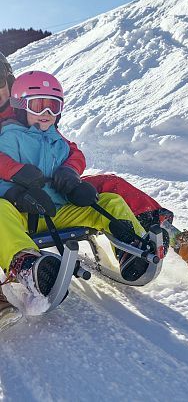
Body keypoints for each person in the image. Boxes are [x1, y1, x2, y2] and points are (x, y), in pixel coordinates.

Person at [0, 54, 188, 279]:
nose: (46, 111)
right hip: (10, 193)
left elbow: (68, 150)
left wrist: (69, 171)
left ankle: (177, 244)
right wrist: (14, 176)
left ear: (10, 81)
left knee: (110, 186)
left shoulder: (30, 107)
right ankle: (21, 269)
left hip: (44, 186)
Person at [0, 70, 157, 312]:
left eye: (53, 107)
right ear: (20, 106)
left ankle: (131, 247)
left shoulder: (56, 140)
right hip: (22, 216)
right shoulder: (9, 138)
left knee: (109, 200)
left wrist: (72, 180)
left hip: (59, 211)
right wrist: (15, 194)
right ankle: (27, 265)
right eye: (39, 106)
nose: (47, 114)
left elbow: (74, 157)